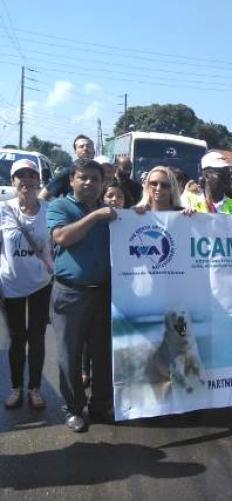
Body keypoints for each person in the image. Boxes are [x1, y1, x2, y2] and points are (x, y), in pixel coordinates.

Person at [47, 158, 117, 432]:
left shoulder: (109, 210)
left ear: (102, 184)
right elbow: (62, 237)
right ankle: (73, 409)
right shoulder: (59, 206)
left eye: (95, 179)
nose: (89, 183)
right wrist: (96, 216)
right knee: (69, 354)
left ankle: (100, 406)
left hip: (102, 294)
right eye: (83, 177)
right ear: (72, 181)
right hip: (70, 294)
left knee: (102, 354)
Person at [1, 159, 53, 410]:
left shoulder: (49, 210)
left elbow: (55, 245)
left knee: (37, 337)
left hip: (41, 284)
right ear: (13, 182)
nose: (26, 180)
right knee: (16, 339)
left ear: (38, 180)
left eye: (31, 175)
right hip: (10, 285)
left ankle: (34, 388)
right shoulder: (3, 210)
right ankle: (15, 388)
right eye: (20, 176)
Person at [40, 135, 95, 200]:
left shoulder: (103, 170)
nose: (85, 149)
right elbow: (43, 196)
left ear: (94, 150)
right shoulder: (67, 173)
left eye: (88, 146)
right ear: (75, 152)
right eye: (81, 147)